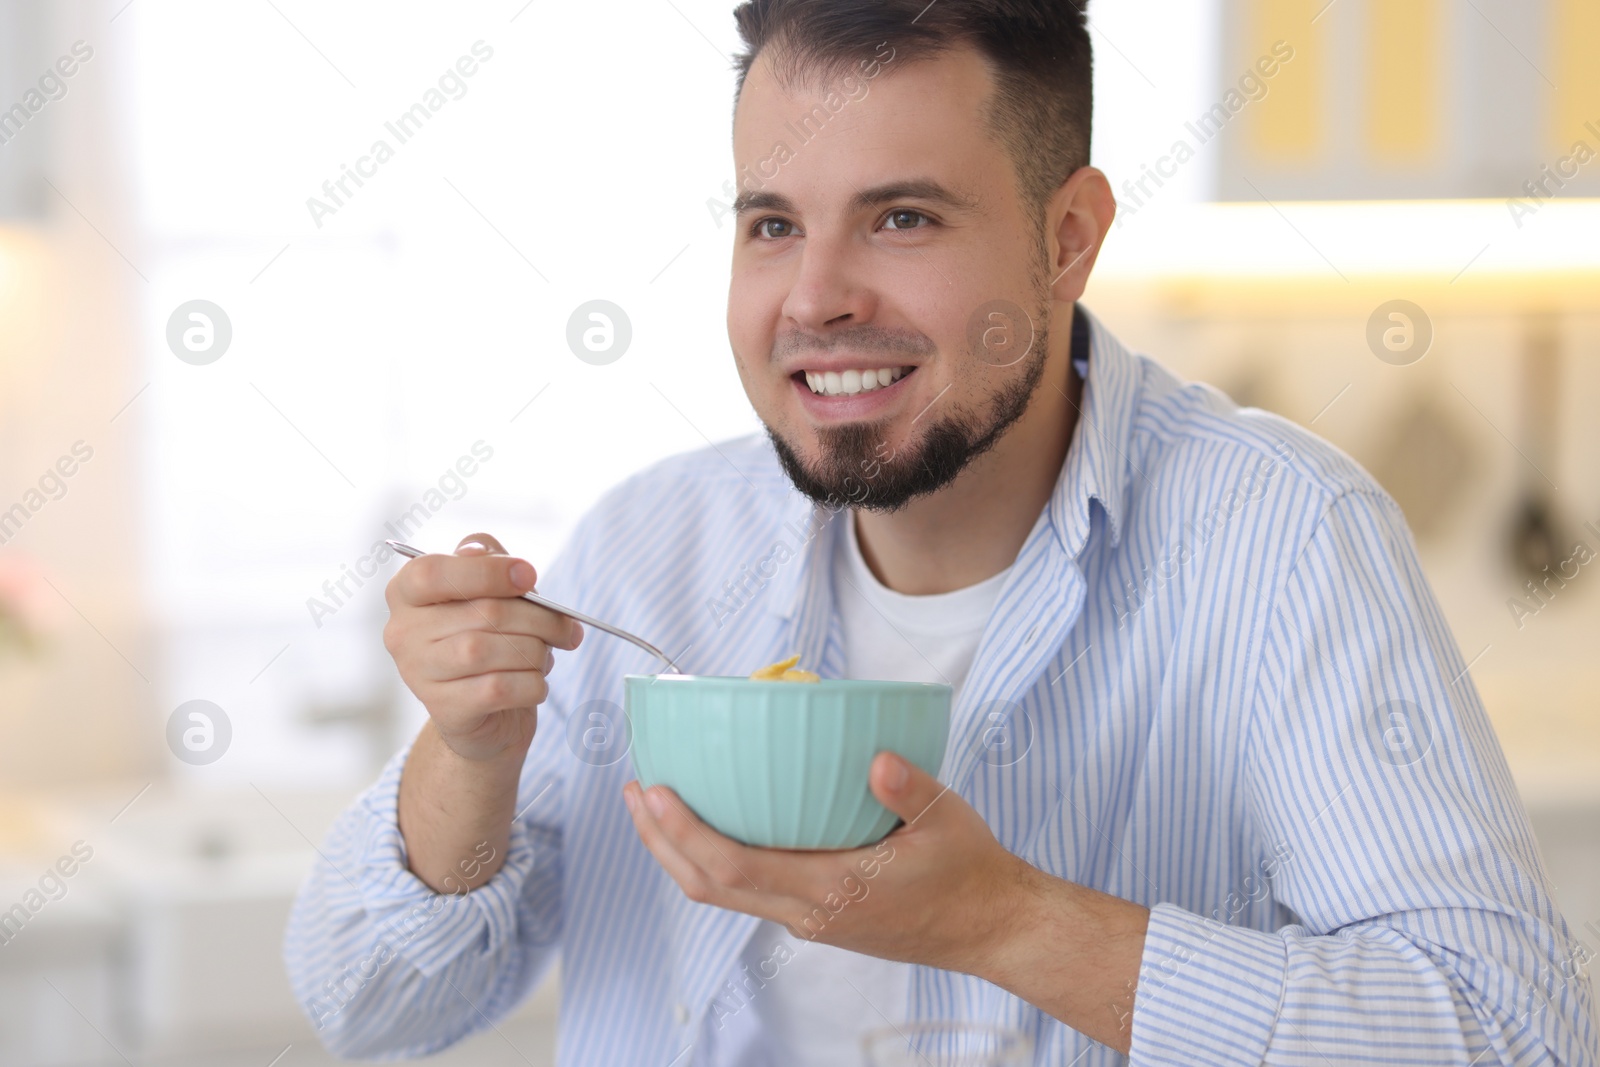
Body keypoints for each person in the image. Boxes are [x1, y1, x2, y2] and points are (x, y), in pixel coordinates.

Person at [283, 2, 1598, 1063]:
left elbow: (1511, 1033)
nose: (816, 299)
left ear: (1068, 236)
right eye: (772, 225)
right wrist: (471, 755)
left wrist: (1013, 927)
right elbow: (370, 1011)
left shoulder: (1286, 544)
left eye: (902, 218)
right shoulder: (649, 550)